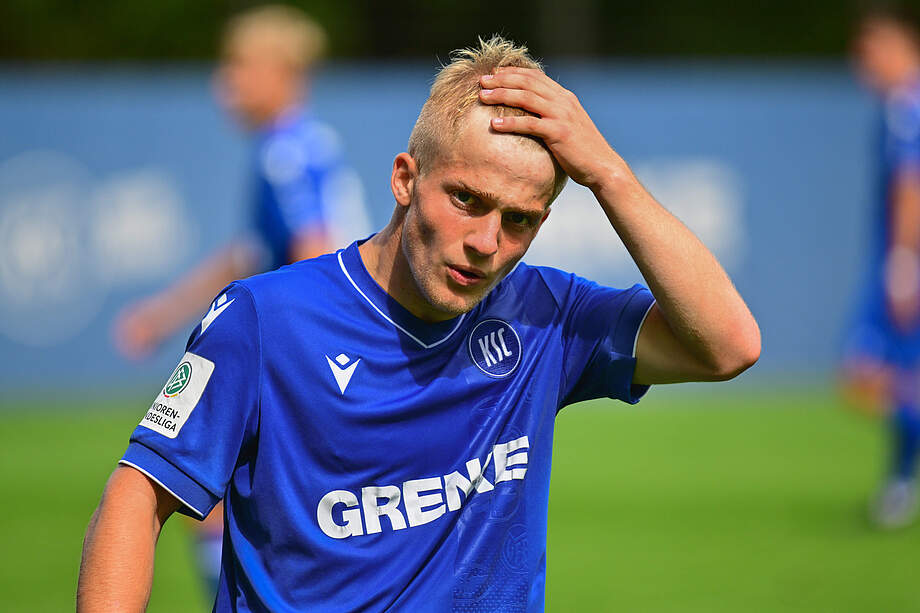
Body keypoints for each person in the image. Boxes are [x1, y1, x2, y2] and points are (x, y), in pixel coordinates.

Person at [78, 37, 760, 611]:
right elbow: (138, 493)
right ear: (406, 179)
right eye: (466, 199)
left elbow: (728, 345)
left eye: (519, 220)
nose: (487, 241)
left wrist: (609, 174)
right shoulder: (265, 319)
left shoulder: (545, 316)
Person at [111, 4, 368, 594]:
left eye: (240, 66)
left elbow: (314, 250)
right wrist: (163, 314)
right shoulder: (301, 145)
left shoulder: (287, 155)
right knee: (227, 501)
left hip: (309, 350)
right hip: (326, 344)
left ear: (283, 73)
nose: (225, 82)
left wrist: (303, 359)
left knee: (193, 489)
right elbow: (249, 256)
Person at [846, 5, 920, 528]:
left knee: (867, 376)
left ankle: (898, 487)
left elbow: (910, 188)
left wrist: (903, 263)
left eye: (868, 53)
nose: (862, 67)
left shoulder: (906, 107)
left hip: (903, 263)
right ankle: (898, 485)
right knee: (893, 375)